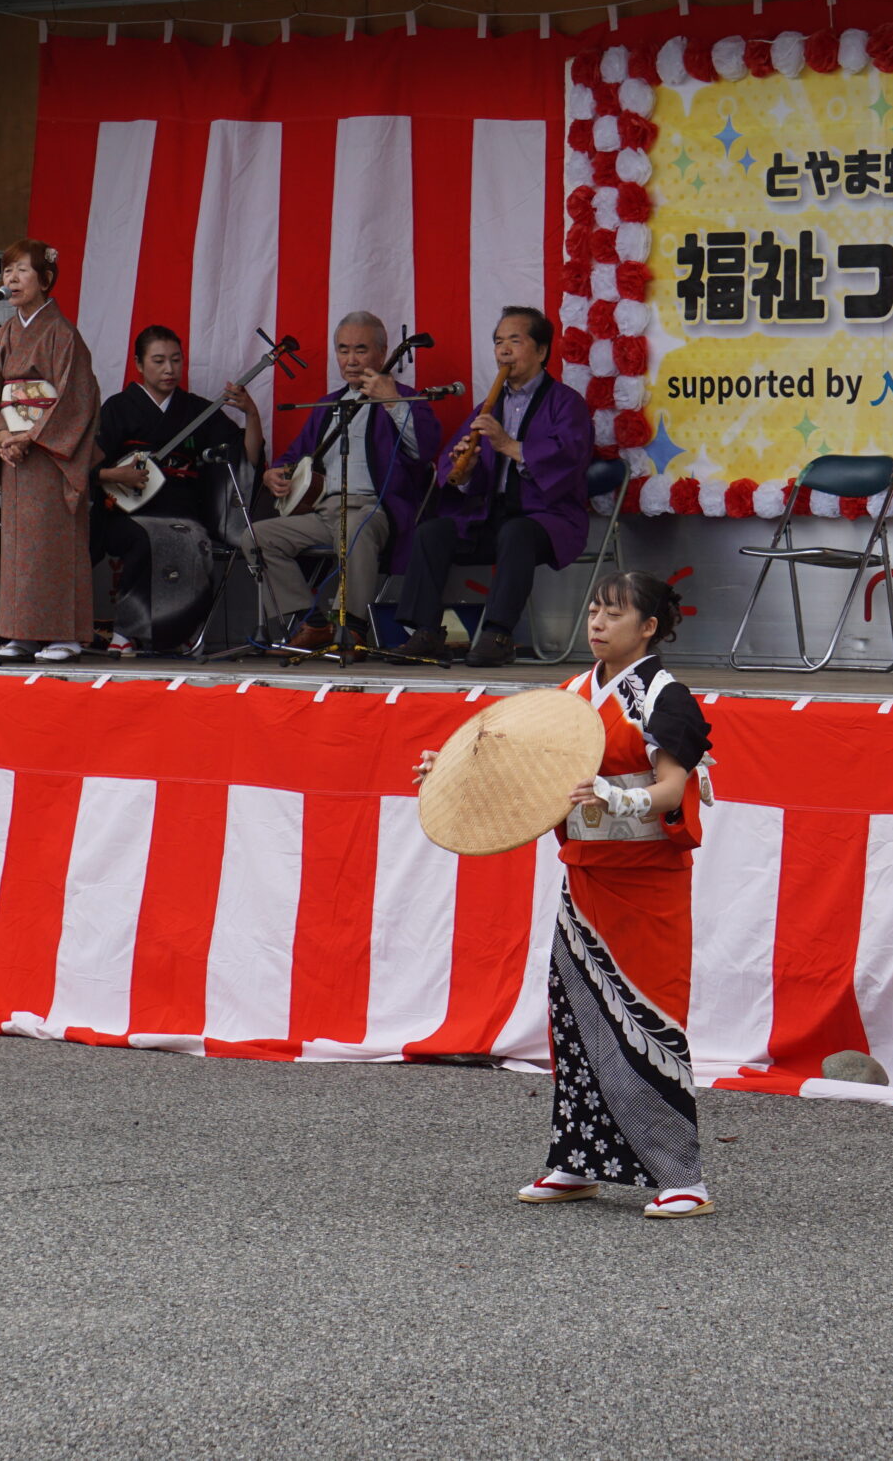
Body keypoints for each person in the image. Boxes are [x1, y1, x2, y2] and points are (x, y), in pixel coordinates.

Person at [414, 572, 714, 1219]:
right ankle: (576, 1159)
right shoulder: (572, 697)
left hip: (647, 885)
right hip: (584, 880)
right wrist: (448, 769)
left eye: (614, 613)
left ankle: (680, 1174)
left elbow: (672, 787)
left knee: (649, 1024)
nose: (598, 623)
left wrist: (620, 796)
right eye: (594, 611)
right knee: (575, 1024)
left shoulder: (665, 697)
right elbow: (522, 774)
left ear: (650, 627)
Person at [396, 306, 591, 668]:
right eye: (499, 342)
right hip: (490, 517)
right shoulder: (489, 406)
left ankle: (498, 634)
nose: (504, 350)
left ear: (542, 350)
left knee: (517, 533)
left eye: (515, 341)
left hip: (548, 518)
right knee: (432, 532)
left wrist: (510, 446)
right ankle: (425, 632)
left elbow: (570, 462)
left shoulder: (567, 404)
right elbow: (465, 475)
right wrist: (466, 471)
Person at [251, 312, 441, 658]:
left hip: (373, 510)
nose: (351, 360)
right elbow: (294, 456)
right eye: (343, 350)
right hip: (323, 511)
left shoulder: (406, 397)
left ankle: (351, 625)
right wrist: (273, 473)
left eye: (361, 350)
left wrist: (392, 401)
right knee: (256, 537)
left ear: (382, 354)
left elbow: (426, 449)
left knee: (354, 527)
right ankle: (313, 622)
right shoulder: (327, 405)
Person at [92, 326, 264, 655]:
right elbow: (91, 467)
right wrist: (118, 474)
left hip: (183, 509)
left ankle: (183, 632)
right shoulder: (117, 408)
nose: (169, 369)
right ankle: (127, 630)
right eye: (158, 361)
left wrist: (251, 414)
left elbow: (244, 457)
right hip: (130, 512)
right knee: (148, 537)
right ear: (139, 364)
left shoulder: (198, 411)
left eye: (176, 360)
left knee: (191, 536)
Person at [0, 238, 101, 663]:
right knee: (18, 549)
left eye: (22, 271)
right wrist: (0, 435)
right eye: (7, 271)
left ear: (45, 280)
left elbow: (77, 397)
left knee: (54, 543)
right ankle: (21, 632)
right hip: (14, 451)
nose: (11, 279)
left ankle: (64, 633)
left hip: (49, 453)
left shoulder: (63, 334)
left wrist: (31, 436)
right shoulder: (7, 333)